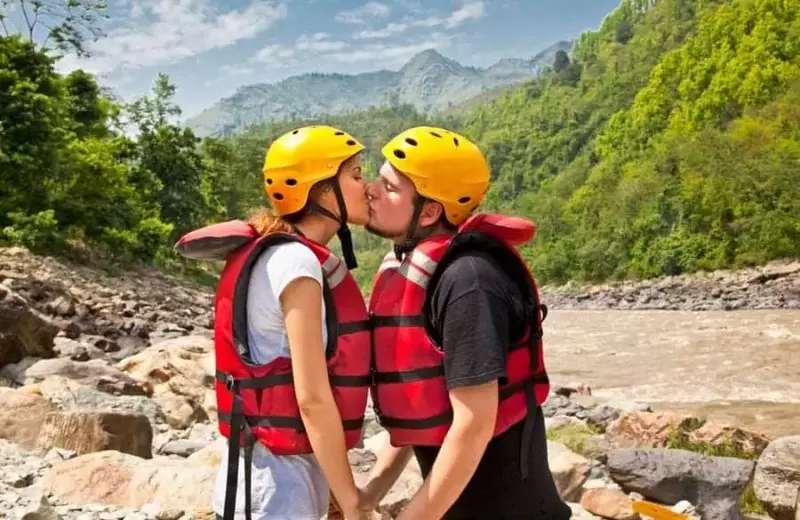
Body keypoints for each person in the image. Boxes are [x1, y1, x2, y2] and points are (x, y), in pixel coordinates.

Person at [357, 126, 572, 519]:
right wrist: (370, 493)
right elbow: (421, 406)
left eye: (388, 187)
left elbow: (473, 425)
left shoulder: (469, 282)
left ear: (429, 211)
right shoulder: (422, 271)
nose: (370, 190)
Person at [175, 125, 375, 520]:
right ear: (321, 191)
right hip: (277, 496)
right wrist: (352, 503)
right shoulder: (297, 263)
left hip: (263, 488)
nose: (366, 187)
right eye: (355, 175)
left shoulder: (275, 253)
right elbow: (312, 399)